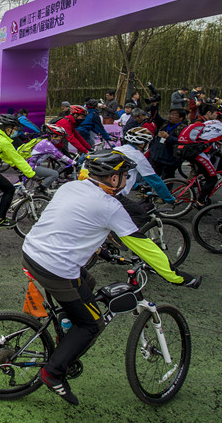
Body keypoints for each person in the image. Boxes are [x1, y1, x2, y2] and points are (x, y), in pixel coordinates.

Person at [22, 150, 200, 406]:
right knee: (92, 324)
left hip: (32, 252)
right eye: (125, 175)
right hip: (56, 268)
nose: (127, 179)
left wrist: (100, 249)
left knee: (89, 284)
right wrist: (176, 276)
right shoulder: (110, 206)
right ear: (113, 179)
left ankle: (67, 323)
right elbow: (142, 245)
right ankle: (53, 372)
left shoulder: (71, 186)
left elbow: (72, 224)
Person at [113, 127, 176, 212]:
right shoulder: (138, 156)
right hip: (115, 194)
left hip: (99, 190)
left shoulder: (117, 149)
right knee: (139, 215)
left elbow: (120, 172)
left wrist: (136, 186)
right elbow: (155, 181)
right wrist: (169, 199)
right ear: (143, 144)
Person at [180, 103, 222, 207]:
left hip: (192, 151)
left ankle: (200, 188)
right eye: (215, 113)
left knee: (205, 173)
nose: (216, 115)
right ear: (209, 113)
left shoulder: (207, 123)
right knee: (213, 178)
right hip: (199, 153)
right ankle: (200, 201)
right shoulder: (215, 125)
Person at [22, 124, 76, 190]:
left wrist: (66, 162)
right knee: (54, 174)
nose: (60, 139)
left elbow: (55, 157)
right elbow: (60, 155)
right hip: (32, 166)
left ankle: (45, 186)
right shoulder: (47, 144)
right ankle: (39, 190)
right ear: (53, 135)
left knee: (53, 171)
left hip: (30, 164)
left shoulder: (45, 141)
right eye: (60, 137)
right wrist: (74, 163)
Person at [149, 108, 188, 179]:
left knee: (167, 179)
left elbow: (182, 142)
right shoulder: (165, 124)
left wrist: (168, 137)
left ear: (181, 118)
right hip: (156, 156)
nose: (171, 116)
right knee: (153, 178)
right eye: (171, 114)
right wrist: (154, 106)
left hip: (169, 159)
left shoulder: (184, 128)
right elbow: (155, 116)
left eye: (174, 115)